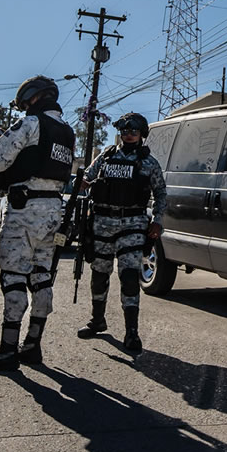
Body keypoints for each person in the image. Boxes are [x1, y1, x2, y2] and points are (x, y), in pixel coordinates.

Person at [0, 75, 75, 372]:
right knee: (42, 275)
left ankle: (7, 350)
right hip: (54, 208)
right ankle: (33, 345)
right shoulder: (67, 131)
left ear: (33, 98)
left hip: (26, 206)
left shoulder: (32, 124)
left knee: (14, 275)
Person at [76, 112, 166, 353]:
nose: (128, 134)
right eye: (124, 130)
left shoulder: (149, 163)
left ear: (142, 134)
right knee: (99, 273)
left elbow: (161, 193)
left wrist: (157, 221)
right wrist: (82, 183)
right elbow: (87, 178)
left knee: (128, 276)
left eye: (133, 131)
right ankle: (97, 320)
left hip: (133, 224)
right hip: (103, 222)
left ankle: (132, 332)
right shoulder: (106, 156)